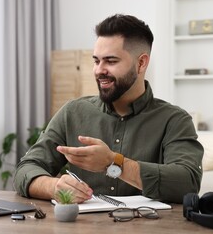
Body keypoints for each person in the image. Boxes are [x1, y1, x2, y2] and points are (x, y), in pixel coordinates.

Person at [14, 14, 203, 204]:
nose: (98, 70)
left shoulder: (175, 120)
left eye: (111, 61)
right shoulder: (73, 112)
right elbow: (25, 169)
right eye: (96, 61)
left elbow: (187, 182)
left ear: (141, 63)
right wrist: (53, 187)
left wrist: (114, 163)